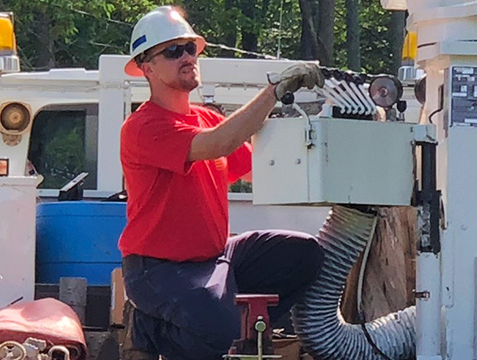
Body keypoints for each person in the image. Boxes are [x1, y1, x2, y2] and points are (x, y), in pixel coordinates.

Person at [117, 6, 326, 360]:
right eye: (172, 51)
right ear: (146, 67)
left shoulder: (207, 119)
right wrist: (273, 92)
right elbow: (219, 144)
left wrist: (307, 139)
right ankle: (154, 329)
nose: (186, 57)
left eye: (190, 48)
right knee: (217, 324)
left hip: (216, 258)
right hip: (156, 269)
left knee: (305, 254)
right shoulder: (142, 127)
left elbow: (260, 170)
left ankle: (239, 328)